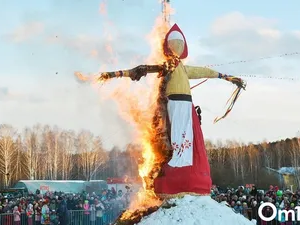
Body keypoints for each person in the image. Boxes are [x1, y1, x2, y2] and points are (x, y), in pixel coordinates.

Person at [97, 23, 245, 198]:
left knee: (185, 138)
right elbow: (141, 70)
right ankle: (173, 169)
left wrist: (227, 77)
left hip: (186, 106)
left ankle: (185, 172)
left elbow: (204, 71)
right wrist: (115, 74)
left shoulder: (183, 68)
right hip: (173, 105)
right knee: (171, 135)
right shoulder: (166, 67)